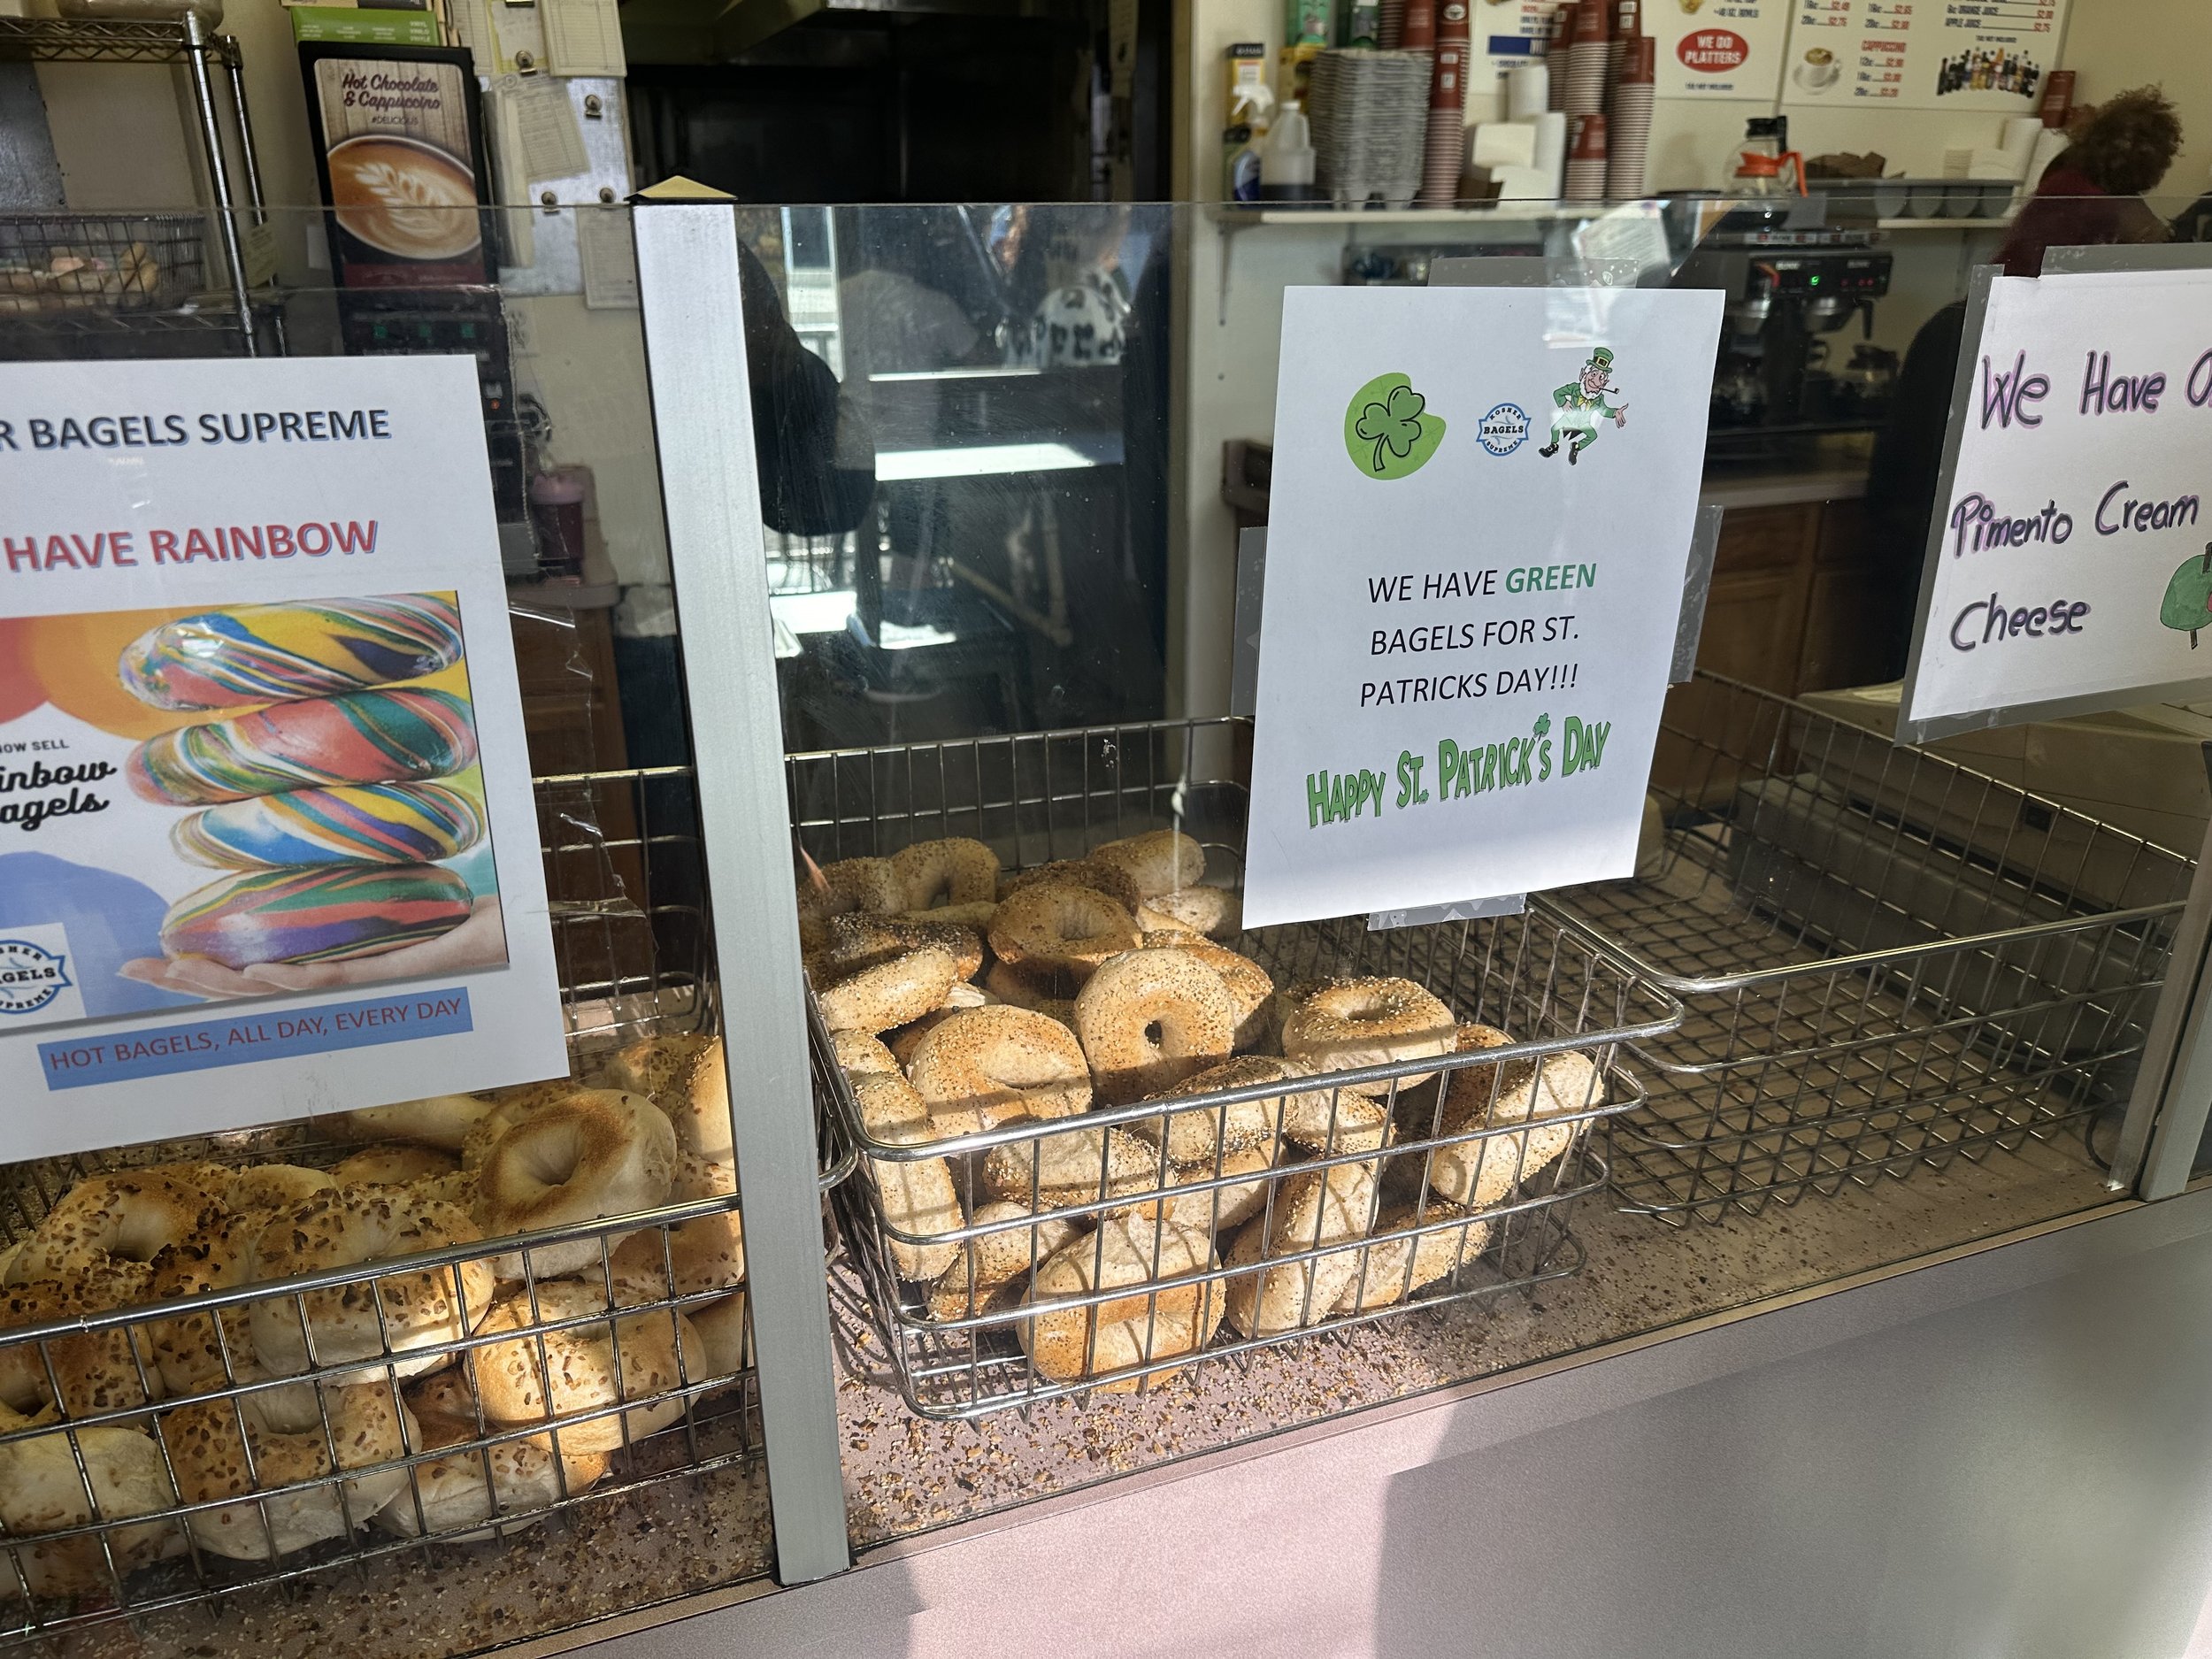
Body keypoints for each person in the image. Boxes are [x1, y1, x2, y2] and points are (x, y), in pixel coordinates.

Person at [1862, 87, 2181, 678]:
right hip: (2015, 605)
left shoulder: (1967, 332)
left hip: (1979, 601)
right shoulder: (2110, 359)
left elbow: (1896, 495)